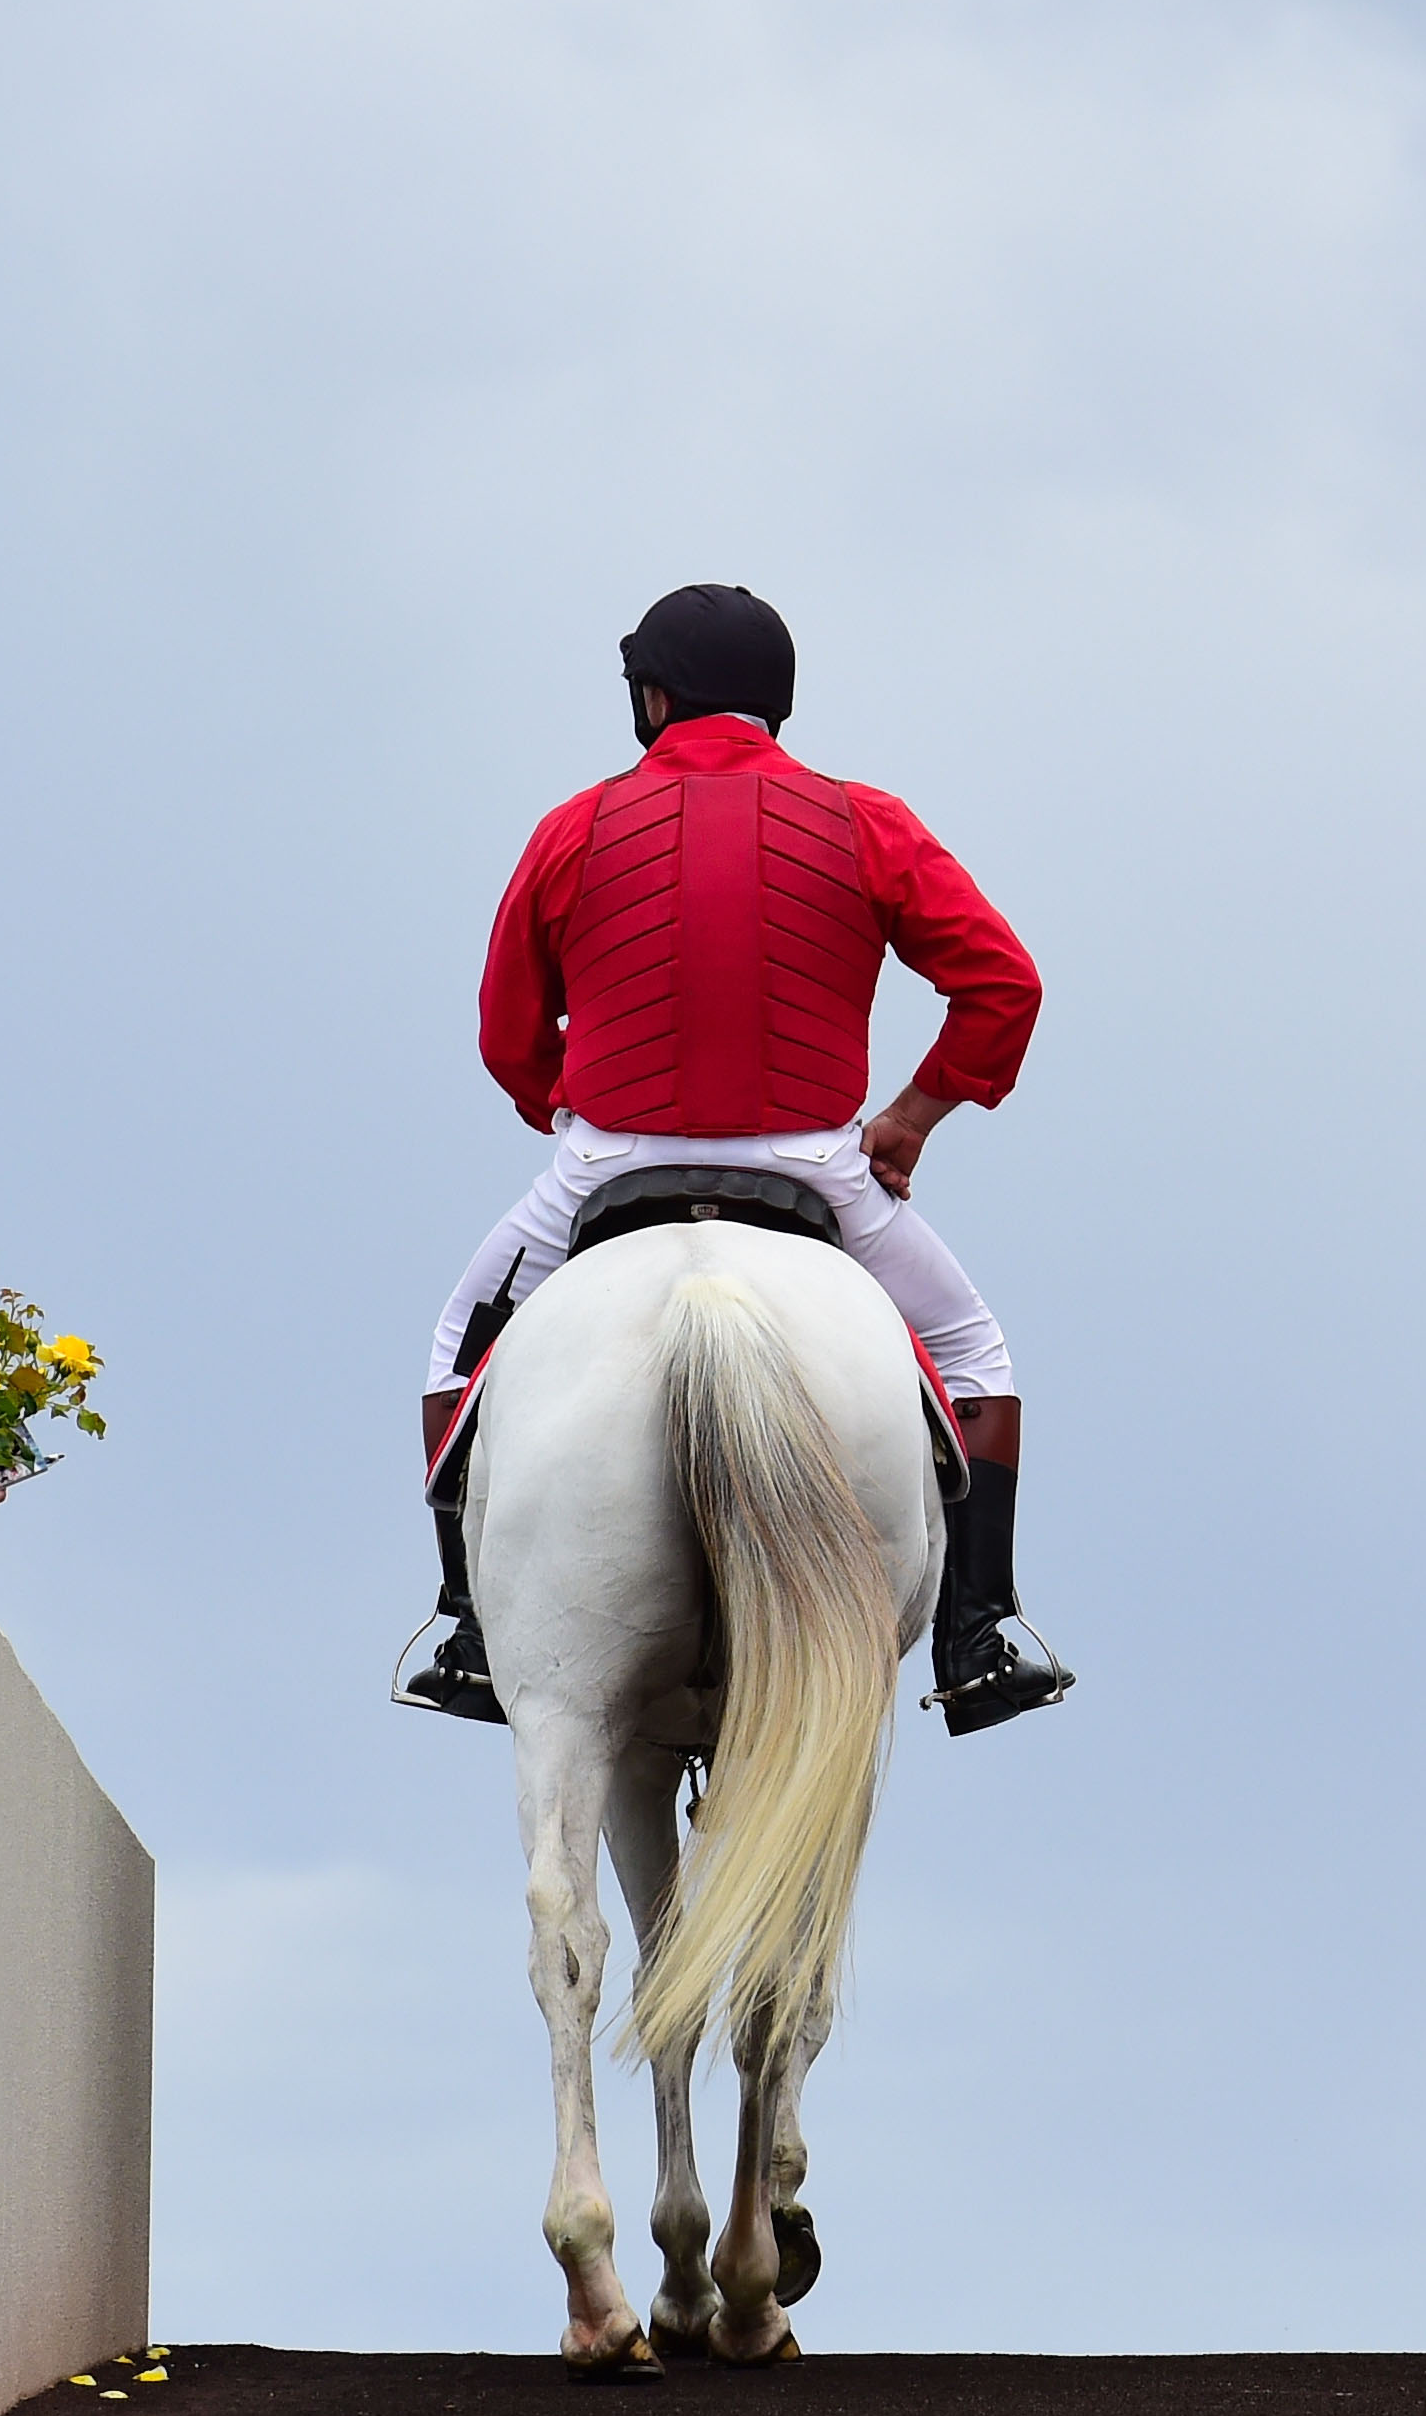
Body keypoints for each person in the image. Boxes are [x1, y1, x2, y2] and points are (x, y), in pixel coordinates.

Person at [398, 582, 1072, 1736]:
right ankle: (975, 1635)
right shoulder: (867, 821)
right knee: (973, 1357)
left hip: (609, 1160)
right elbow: (1002, 985)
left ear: (653, 699)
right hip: (813, 1165)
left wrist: (568, 1106)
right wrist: (911, 1117)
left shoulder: (571, 827)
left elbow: (507, 1034)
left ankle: (467, 1622)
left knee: (457, 1349)